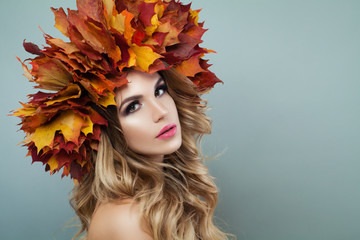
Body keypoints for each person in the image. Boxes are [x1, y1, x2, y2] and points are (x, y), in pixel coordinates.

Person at [12, 0, 232, 239]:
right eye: (134, 106)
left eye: (159, 91)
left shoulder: (157, 199)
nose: (161, 111)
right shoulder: (127, 219)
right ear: (107, 129)